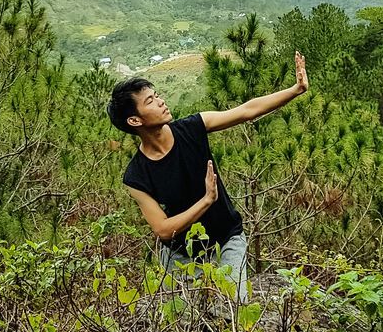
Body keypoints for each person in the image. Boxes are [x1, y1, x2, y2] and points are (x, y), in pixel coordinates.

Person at [107, 52, 308, 302]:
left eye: (157, 95)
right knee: (184, 327)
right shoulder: (136, 176)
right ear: (134, 120)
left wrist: (296, 89)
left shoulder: (193, 127)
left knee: (233, 310)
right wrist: (206, 199)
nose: (160, 102)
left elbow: (247, 110)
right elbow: (163, 230)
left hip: (226, 240)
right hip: (181, 255)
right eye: (150, 101)